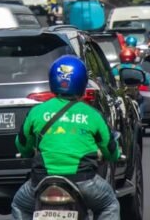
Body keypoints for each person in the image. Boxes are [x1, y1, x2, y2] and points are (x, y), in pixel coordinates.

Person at [11, 55, 121, 220]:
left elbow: (22, 144)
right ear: (82, 83)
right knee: (109, 205)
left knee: (19, 205)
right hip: (84, 181)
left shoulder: (37, 112)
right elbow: (110, 150)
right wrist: (113, 155)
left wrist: (28, 153)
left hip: (41, 180)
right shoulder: (93, 115)